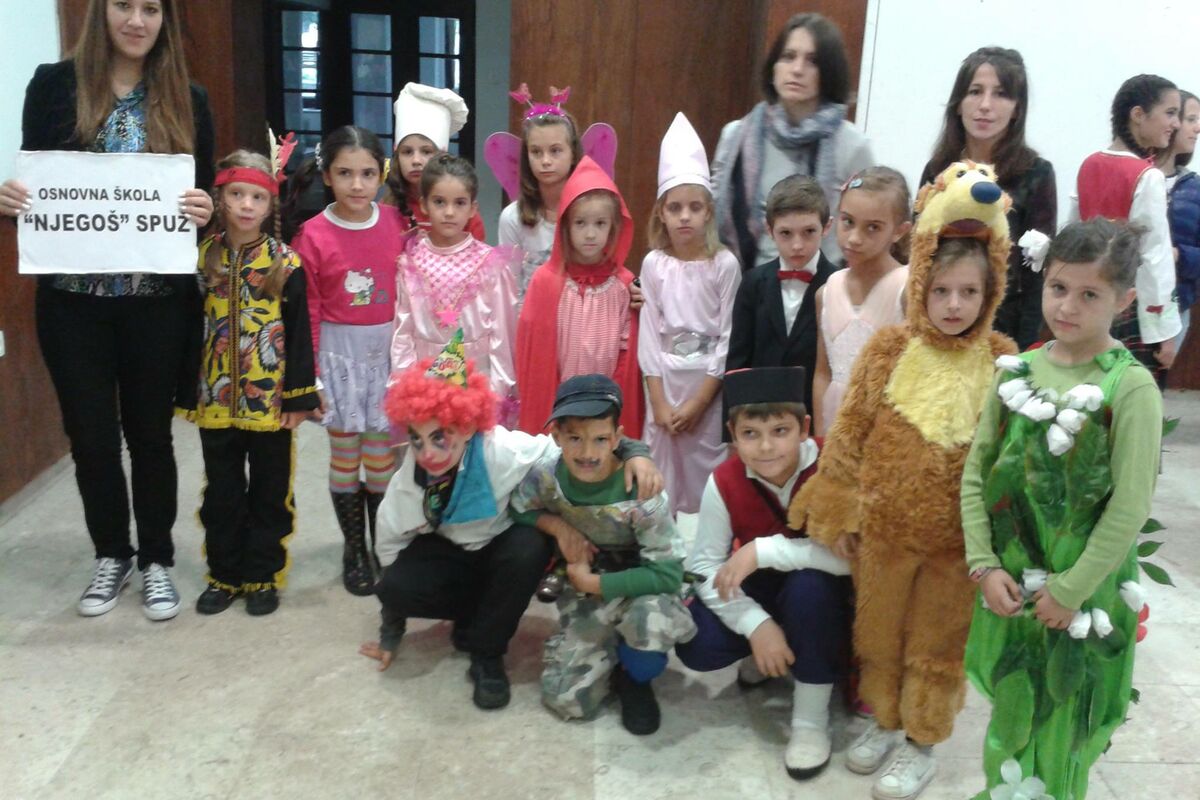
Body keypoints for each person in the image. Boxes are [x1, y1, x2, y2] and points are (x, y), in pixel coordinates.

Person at [789, 162, 1017, 799]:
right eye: (941, 290)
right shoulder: (889, 350)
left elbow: (1010, 457)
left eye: (968, 293)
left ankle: (921, 740)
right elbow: (851, 434)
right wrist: (839, 507)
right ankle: (886, 720)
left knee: (937, 645)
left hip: (957, 545)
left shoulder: (1002, 362)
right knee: (879, 635)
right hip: (885, 533)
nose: (954, 305)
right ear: (920, 285)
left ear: (990, 293)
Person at [0, 0, 214, 620]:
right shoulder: (53, 85)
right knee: (91, 439)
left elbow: (201, 194)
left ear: (164, 19)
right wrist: (12, 201)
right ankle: (111, 553)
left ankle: (156, 560)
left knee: (151, 437)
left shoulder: (188, 97)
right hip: (73, 305)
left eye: (150, 8)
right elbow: (38, 185)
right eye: (124, 4)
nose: (137, 20)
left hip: (156, 304)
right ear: (103, 12)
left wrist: (205, 209)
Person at [961, 219, 1163, 800]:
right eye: (1058, 288)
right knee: (1011, 719)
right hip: (1010, 582)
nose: (1068, 307)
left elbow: (1128, 507)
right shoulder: (1018, 371)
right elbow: (976, 473)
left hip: (1082, 592)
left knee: (1064, 726)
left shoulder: (1130, 388)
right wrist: (984, 564)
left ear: (1124, 301)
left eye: (1089, 294)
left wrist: (1071, 590)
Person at [360, 332, 663, 710]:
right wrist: (391, 632)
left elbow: (575, 447)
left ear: (467, 427)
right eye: (416, 440)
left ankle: (487, 654)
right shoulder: (408, 483)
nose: (427, 454)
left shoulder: (502, 450)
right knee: (393, 586)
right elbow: (389, 550)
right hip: (447, 551)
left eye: (440, 437)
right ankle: (474, 614)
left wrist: (635, 453)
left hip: (500, 548)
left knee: (528, 547)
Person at [676, 366, 851, 779]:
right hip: (767, 592)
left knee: (810, 588)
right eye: (751, 434)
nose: (767, 446)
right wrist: (756, 625)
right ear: (733, 435)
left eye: (780, 430)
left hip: (831, 596)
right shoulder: (725, 481)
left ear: (804, 428)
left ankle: (810, 720)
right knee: (696, 643)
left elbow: (860, 558)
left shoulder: (835, 467)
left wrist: (765, 550)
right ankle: (774, 647)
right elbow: (703, 566)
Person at [510, 374, 696, 734]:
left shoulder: (642, 490)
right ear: (557, 437)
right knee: (567, 700)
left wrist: (593, 584)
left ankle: (634, 677)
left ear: (616, 438)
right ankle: (603, 650)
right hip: (586, 585)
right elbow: (519, 508)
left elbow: (668, 573)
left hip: (640, 582)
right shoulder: (546, 476)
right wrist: (558, 526)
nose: (587, 453)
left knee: (651, 628)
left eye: (599, 439)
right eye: (574, 439)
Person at [190, 149, 319, 616]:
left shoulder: (287, 263)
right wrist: (185, 390)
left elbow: (300, 334)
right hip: (215, 399)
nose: (246, 205)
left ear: (271, 204)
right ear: (220, 198)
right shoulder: (201, 258)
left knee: (270, 490)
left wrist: (299, 397)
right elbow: (188, 329)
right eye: (237, 194)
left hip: (270, 403)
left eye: (257, 197)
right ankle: (223, 574)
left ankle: (262, 573)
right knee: (222, 492)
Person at [289, 125, 403, 596]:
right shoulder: (312, 235)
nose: (357, 185)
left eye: (367, 174)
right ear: (327, 176)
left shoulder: (397, 224)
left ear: (382, 174)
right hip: (338, 358)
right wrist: (311, 376)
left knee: (381, 459)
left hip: (387, 355)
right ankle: (354, 548)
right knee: (345, 455)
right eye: (345, 173)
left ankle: (382, 545)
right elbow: (309, 309)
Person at [921, 46, 1057, 351]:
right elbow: (920, 254)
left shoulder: (1037, 173)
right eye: (975, 91)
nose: (985, 105)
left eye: (1000, 94)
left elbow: (1036, 271)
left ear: (1017, 108)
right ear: (958, 104)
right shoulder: (938, 169)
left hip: (1004, 325)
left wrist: (1028, 346)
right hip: (941, 319)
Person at [712, 12, 873, 268]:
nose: (797, 69)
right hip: (743, 283)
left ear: (829, 71)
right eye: (788, 57)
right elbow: (711, 220)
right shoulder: (736, 137)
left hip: (824, 285)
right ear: (773, 67)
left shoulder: (852, 146)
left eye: (812, 61)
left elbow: (868, 230)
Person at [639, 112, 741, 514]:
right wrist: (659, 403)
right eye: (675, 207)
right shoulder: (654, 265)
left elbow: (727, 337)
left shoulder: (724, 265)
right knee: (663, 476)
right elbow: (650, 336)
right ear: (661, 213)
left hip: (706, 389)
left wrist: (700, 402)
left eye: (695, 207)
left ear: (708, 212)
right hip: (665, 384)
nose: (685, 216)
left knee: (706, 480)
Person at [516, 156, 644, 437]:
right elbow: (534, 360)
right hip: (557, 410)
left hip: (606, 408)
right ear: (565, 225)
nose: (590, 234)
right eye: (580, 223)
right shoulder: (545, 282)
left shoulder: (624, 285)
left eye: (600, 223)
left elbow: (628, 356)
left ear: (613, 227)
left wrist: (610, 403)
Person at [390, 154, 519, 423]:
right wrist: (404, 386)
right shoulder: (410, 262)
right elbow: (403, 330)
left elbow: (502, 333)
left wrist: (496, 393)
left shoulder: (490, 264)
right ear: (424, 204)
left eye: (459, 203)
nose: (449, 212)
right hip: (424, 383)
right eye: (439, 202)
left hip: (477, 382)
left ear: (472, 208)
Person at [1072, 74, 1183, 382]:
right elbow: (1155, 258)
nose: (1175, 124)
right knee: (1132, 397)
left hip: (1088, 303)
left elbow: (1072, 236)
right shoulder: (1147, 176)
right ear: (1138, 115)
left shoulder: (1089, 164)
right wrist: (1164, 333)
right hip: (1129, 310)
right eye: (1170, 113)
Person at [725, 174, 837, 413]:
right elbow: (737, 362)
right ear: (769, 229)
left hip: (817, 415)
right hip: (760, 416)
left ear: (826, 227)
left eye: (808, 231)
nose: (797, 245)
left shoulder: (838, 284)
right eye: (786, 233)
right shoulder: (752, 283)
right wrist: (733, 426)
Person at [813, 166, 911, 435]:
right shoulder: (826, 292)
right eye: (848, 222)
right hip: (835, 426)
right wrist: (820, 438)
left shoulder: (908, 288)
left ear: (899, 231)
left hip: (886, 428)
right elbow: (823, 373)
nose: (855, 238)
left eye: (873, 228)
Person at [492, 84, 584, 302]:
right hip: (531, 318)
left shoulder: (589, 212)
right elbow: (509, 288)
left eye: (555, 151)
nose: (545, 161)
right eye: (536, 152)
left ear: (572, 153)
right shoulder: (512, 218)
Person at [382, 82, 486, 240]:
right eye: (407, 152)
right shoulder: (386, 208)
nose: (416, 160)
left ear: (441, 155)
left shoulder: (465, 214)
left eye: (426, 152)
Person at [1157, 89, 1200, 355]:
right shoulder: (1134, 176)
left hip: (1176, 307)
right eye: (1191, 119)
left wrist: (1178, 255)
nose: (1198, 128)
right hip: (1123, 303)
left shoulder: (1195, 189)